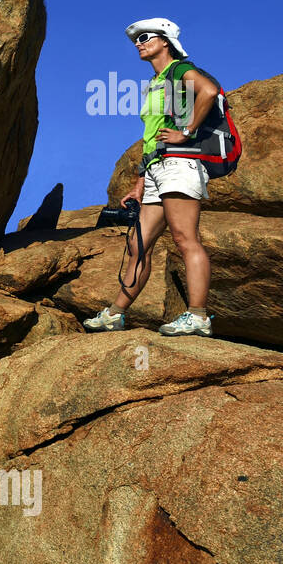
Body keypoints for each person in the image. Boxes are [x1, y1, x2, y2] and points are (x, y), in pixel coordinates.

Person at [84, 18, 218, 336]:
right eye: (136, 40)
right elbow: (153, 134)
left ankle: (198, 315)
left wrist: (187, 132)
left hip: (181, 164)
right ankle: (116, 314)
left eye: (145, 37)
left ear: (165, 40)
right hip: (158, 169)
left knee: (185, 238)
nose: (138, 43)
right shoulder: (157, 82)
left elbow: (209, 91)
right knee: (137, 244)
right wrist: (142, 180)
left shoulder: (179, 70)